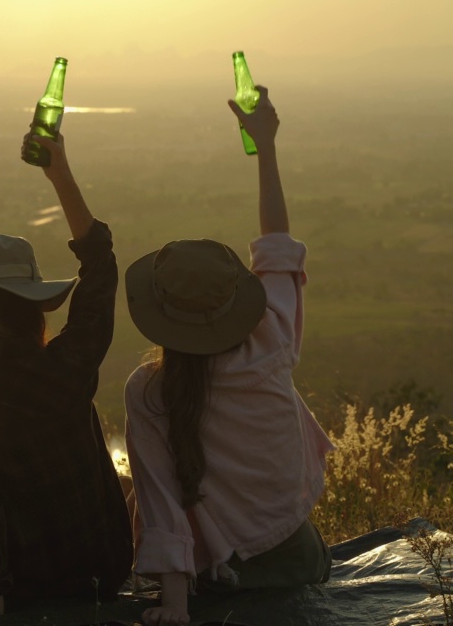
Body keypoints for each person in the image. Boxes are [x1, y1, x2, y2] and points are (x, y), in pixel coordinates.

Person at [123, 86, 334, 626]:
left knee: (128, 498)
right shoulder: (271, 339)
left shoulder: (149, 390)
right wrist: (265, 145)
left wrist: (173, 608)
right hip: (301, 561)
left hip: (218, 580)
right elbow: (277, 243)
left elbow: (161, 500)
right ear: (235, 303)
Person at [0, 130, 133, 626]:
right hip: (95, 571)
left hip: (11, 580)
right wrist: (58, 172)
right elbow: (100, 268)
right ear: (32, 308)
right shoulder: (62, 371)